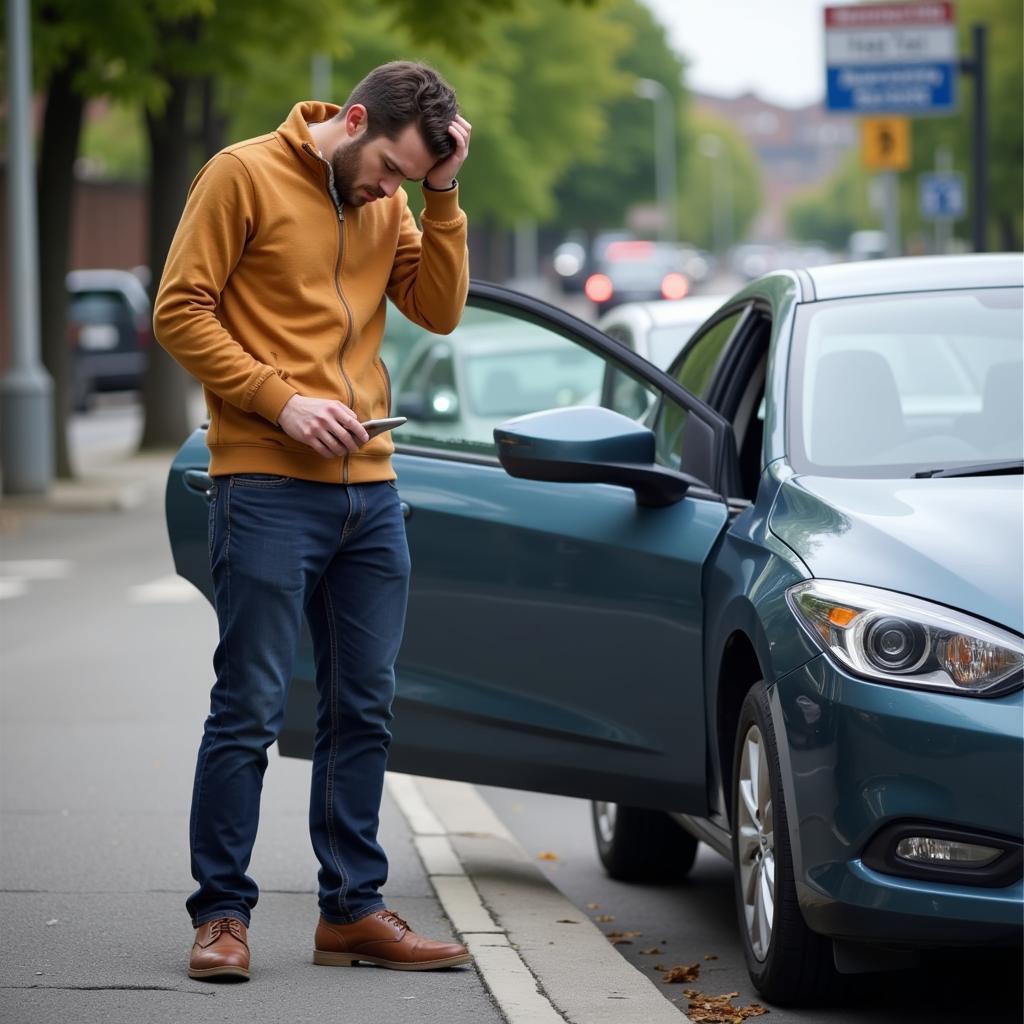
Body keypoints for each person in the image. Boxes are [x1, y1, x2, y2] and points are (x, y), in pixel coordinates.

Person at [153, 61, 472, 982]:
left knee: (363, 710)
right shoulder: (241, 174)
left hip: (369, 491)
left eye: (410, 179)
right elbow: (180, 309)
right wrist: (278, 401)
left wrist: (444, 194)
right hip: (264, 485)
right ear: (355, 120)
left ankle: (352, 912)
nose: (389, 191)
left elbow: (438, 309)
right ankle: (221, 916)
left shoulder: (395, 197)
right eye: (389, 170)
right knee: (249, 706)